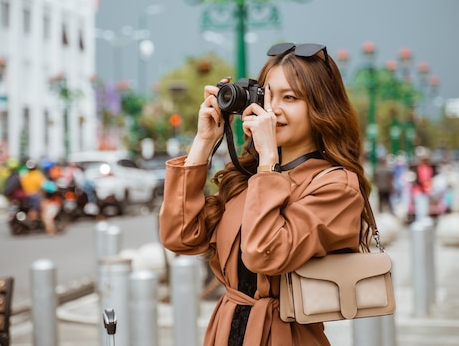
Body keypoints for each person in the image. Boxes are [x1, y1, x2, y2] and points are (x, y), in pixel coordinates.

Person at [159, 42, 374, 346]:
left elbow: (265, 254)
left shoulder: (337, 186)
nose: (274, 110)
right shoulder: (249, 177)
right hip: (226, 330)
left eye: (290, 97)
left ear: (321, 106)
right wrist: (204, 141)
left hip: (286, 336)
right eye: (267, 95)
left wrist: (268, 162)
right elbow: (180, 235)